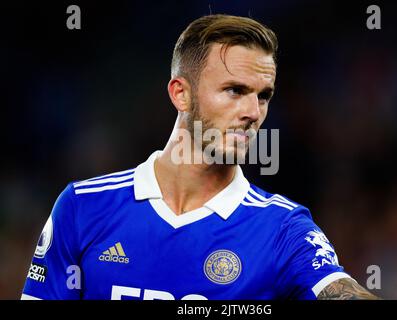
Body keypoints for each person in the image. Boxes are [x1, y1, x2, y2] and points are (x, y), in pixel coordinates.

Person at [21, 14, 378, 300]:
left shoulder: (284, 230)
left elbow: (336, 290)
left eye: (264, 95)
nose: (253, 111)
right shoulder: (83, 208)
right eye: (235, 90)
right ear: (181, 94)